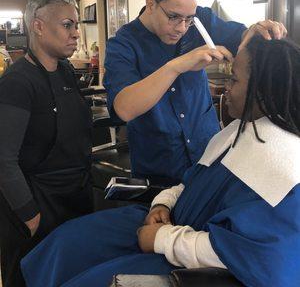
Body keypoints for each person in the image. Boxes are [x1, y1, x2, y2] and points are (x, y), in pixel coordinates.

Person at [21, 35, 300, 287]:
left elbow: (256, 257)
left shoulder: (285, 168)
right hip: (167, 223)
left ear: (264, 91)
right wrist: (163, 203)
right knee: (67, 243)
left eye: (235, 80)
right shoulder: (238, 130)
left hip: (189, 260)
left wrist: (162, 239)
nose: (226, 87)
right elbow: (193, 181)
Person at [103, 0, 286, 186]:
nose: (182, 27)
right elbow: (124, 108)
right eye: (174, 17)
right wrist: (177, 66)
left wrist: (254, 31)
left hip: (207, 153)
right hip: (160, 166)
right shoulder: (123, 44)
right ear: (151, 4)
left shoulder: (200, 22)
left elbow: (242, 38)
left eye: (188, 18)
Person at [0, 0, 94, 287]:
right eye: (68, 25)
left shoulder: (65, 71)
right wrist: (29, 215)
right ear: (38, 27)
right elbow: (3, 159)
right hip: (38, 206)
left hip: (73, 199)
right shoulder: (17, 83)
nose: (76, 33)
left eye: (77, 25)